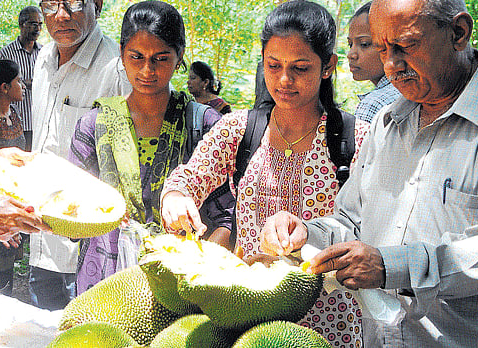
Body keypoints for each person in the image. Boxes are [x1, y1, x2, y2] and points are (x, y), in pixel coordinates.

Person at [260, 0, 478, 346]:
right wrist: (307, 235)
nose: (392, 65)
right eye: (381, 50)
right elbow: (352, 223)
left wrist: (392, 266)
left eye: (406, 46)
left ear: (458, 32)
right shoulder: (387, 125)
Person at [161, 1, 367, 345]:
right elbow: (189, 177)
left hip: (332, 322)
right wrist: (176, 197)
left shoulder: (356, 139)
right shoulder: (239, 129)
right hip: (248, 320)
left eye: (300, 67)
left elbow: (376, 226)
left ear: (328, 66)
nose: (284, 80)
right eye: (273, 65)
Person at [68, 0, 233, 295]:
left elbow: (228, 216)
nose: (147, 70)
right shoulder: (93, 127)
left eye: (160, 58)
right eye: (136, 57)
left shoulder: (206, 124)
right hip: (103, 287)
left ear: (179, 56)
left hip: (183, 290)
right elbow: (70, 215)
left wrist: (204, 270)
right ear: (121, 55)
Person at [30, 0, 119, 310]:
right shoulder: (43, 57)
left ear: (98, 5)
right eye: (51, 4)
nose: (62, 15)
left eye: (74, 3)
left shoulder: (116, 67)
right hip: (40, 234)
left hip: (88, 251)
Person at [0, 60, 27, 295]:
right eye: (18, 81)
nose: (22, 86)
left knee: (5, 277)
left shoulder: (14, 114)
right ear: (4, 87)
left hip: (13, 206)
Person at [0, 6, 44, 151]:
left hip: (39, 123)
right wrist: (27, 83)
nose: (38, 29)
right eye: (33, 24)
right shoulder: (6, 53)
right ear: (21, 24)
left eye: (40, 24)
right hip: (13, 124)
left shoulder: (45, 53)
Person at [346, 1, 400, 124]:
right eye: (350, 44)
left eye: (364, 44)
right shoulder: (413, 93)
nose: (351, 55)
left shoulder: (373, 105)